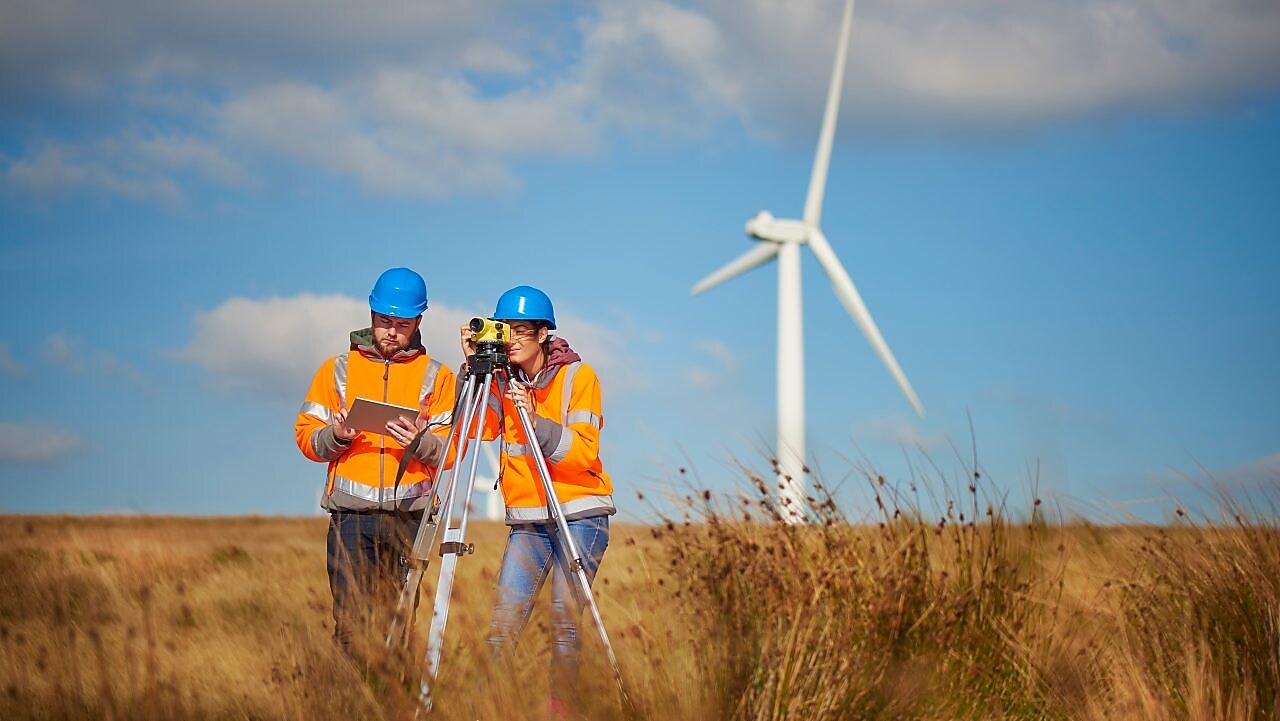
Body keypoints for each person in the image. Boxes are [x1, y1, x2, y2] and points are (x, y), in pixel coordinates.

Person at [459, 285, 615, 717]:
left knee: (564, 624)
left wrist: (535, 418)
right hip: (528, 520)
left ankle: (559, 710)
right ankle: (481, 706)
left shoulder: (579, 378)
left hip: (580, 513)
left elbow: (583, 452)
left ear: (544, 333)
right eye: (503, 329)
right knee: (503, 622)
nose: (510, 338)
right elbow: (477, 428)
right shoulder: (501, 381)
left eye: (521, 330)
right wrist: (472, 371)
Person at [295, 267, 457, 658]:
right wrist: (336, 437)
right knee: (351, 626)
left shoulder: (437, 377)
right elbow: (306, 437)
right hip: (351, 520)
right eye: (385, 321)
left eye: (402, 323)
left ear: (419, 320)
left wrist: (420, 444)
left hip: (408, 519)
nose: (392, 331)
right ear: (371, 314)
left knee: (397, 628)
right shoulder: (337, 370)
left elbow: (453, 448)